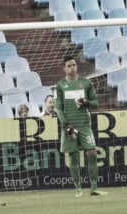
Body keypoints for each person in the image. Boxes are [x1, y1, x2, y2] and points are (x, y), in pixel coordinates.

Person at [54, 55, 108, 197]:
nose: (72, 68)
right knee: (73, 156)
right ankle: (78, 188)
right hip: (69, 125)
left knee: (92, 153)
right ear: (64, 68)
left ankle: (94, 187)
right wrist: (65, 124)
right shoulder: (60, 86)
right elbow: (58, 108)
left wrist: (86, 102)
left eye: (74, 65)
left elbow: (96, 103)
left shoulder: (86, 83)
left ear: (76, 66)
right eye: (69, 66)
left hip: (85, 125)